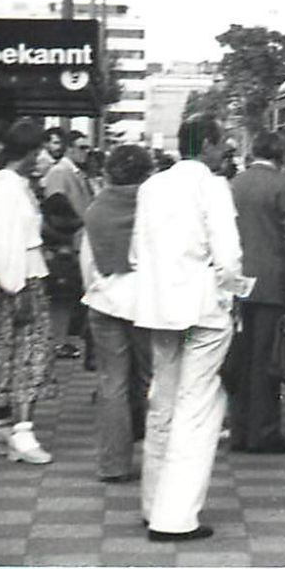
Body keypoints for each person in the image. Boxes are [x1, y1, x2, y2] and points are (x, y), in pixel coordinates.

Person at [131, 115, 254, 542]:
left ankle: (152, 503)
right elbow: (229, 255)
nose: (226, 152)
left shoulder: (151, 186)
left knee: (162, 401)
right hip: (203, 310)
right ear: (206, 145)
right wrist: (231, 295)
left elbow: (136, 253)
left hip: (159, 309)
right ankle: (175, 517)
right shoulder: (212, 187)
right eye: (222, 144)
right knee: (197, 406)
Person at [0, 119, 58, 464]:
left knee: (3, 356)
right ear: (29, 152)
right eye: (38, 151)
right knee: (28, 355)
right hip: (19, 278)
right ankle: (22, 430)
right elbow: (6, 242)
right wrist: (17, 288)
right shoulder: (8, 189)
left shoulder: (4, 185)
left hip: (10, 277)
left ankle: (3, 429)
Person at [228, 130, 285, 454]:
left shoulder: (235, 183)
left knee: (241, 358)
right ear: (280, 154)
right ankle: (264, 434)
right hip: (270, 283)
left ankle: (239, 430)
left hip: (239, 283)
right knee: (266, 361)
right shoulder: (283, 184)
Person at [81, 144, 156, 483]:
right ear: (147, 173)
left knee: (113, 383)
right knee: (152, 380)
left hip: (105, 301)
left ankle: (113, 464)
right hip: (148, 305)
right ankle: (156, 457)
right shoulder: (155, 207)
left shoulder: (96, 209)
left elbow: (88, 262)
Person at [42, 130, 95, 361]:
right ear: (69, 148)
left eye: (88, 148)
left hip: (77, 242)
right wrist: (76, 224)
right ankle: (58, 341)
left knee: (69, 295)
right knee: (61, 296)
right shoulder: (60, 172)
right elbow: (55, 207)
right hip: (66, 243)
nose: (86, 152)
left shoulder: (76, 173)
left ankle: (63, 340)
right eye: (81, 147)